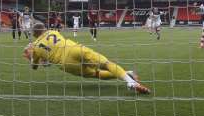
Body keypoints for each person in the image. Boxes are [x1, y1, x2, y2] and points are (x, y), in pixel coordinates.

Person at [23, 23, 151, 94]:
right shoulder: (53, 31)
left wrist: (32, 57)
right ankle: (129, 80)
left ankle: (128, 76)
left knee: (97, 74)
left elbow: (36, 66)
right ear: (44, 29)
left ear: (34, 35)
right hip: (74, 48)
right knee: (106, 64)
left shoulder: (35, 47)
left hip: (65, 63)